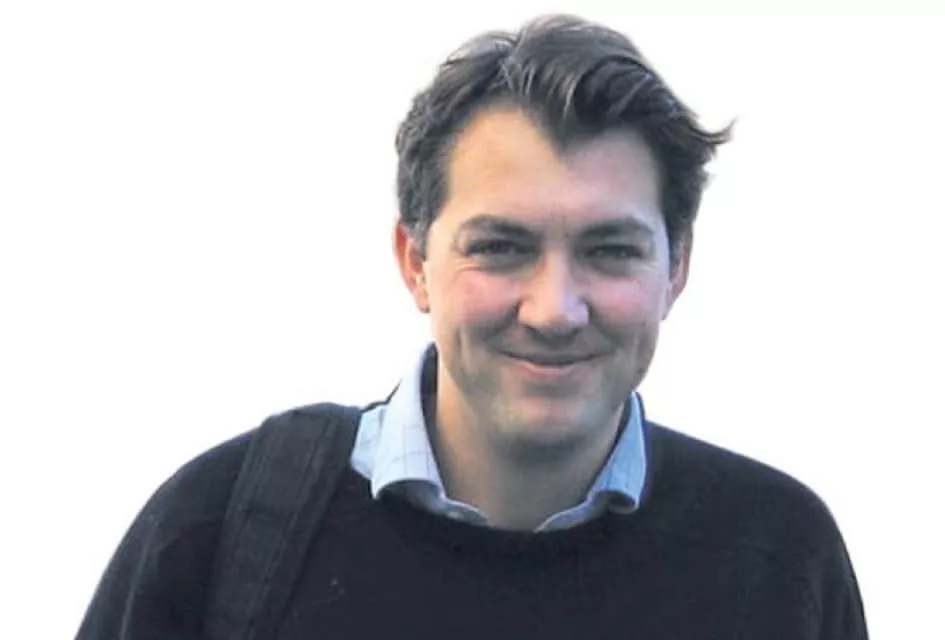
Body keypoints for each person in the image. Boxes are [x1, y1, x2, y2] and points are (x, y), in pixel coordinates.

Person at [76, 14, 867, 640]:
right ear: (414, 262)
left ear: (676, 267)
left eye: (609, 250)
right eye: (500, 248)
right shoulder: (220, 531)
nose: (554, 310)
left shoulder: (777, 559)